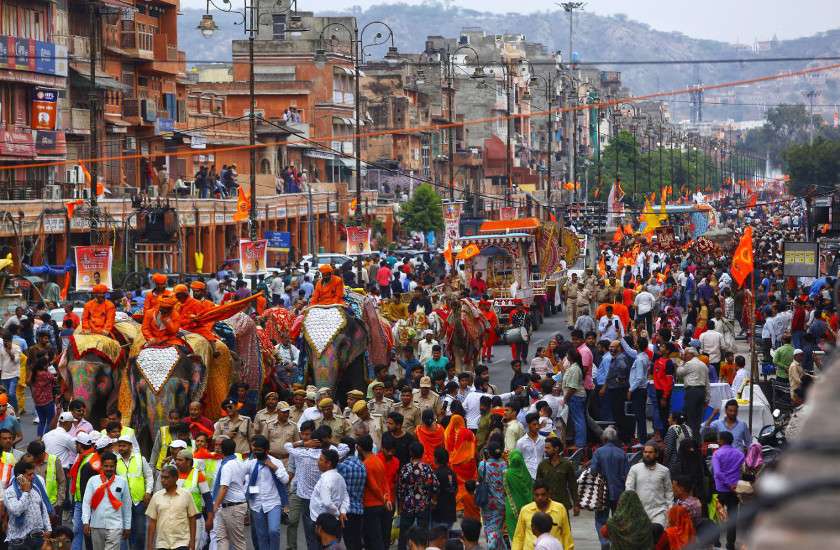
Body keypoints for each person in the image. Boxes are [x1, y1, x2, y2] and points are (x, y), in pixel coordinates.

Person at [245, 434, 289, 549]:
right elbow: (242, 478)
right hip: (256, 503)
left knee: (274, 530)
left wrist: (273, 467)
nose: (256, 452)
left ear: (266, 450)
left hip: (273, 502)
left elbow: (285, 480)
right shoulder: (251, 463)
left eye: (259, 450)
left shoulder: (276, 462)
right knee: (261, 535)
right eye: (254, 450)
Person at [82, 451, 132, 550]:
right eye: (106, 466)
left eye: (111, 466)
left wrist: (127, 526)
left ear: (115, 466)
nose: (109, 469)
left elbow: (127, 505)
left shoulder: (122, 482)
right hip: (96, 524)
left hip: (115, 525)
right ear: (101, 466)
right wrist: (86, 521)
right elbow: (86, 503)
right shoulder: (93, 481)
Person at [590, 426, 630, 546]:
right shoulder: (622, 453)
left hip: (602, 492)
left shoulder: (598, 452)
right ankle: (616, 543)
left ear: (604, 438)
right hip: (619, 492)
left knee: (601, 519)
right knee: (618, 520)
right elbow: (627, 473)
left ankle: (604, 541)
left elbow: (593, 471)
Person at [396, 442, 439, 550]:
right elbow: (435, 486)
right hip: (423, 505)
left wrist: (400, 507)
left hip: (407, 505)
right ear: (422, 453)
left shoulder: (405, 468)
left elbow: (400, 489)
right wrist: (433, 500)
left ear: (410, 453)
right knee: (422, 532)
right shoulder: (426, 468)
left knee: (404, 533)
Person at [145, 464, 199, 550]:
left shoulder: (186, 495)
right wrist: (149, 546)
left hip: (182, 542)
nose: (163, 480)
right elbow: (152, 522)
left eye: (166, 478)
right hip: (162, 544)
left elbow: (192, 519)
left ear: (175, 478)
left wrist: (192, 542)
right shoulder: (156, 497)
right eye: (162, 477)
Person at [511, 480, 574, 550]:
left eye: (543, 494)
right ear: (533, 495)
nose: (540, 498)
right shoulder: (525, 510)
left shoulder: (560, 509)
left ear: (548, 494)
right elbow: (519, 536)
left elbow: (566, 535)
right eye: (537, 495)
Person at [115, 435, 152, 550]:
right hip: (122, 503)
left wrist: (148, 492)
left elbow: (149, 476)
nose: (121, 448)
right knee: (126, 532)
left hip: (139, 502)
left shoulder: (140, 459)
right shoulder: (115, 461)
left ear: (130, 446)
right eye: (119, 445)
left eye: (124, 445)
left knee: (140, 532)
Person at [4, 459, 53, 549]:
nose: (33, 477)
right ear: (20, 476)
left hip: (38, 539)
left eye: (33, 473)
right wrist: (25, 492)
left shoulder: (35, 488)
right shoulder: (10, 492)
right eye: (30, 474)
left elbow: (43, 510)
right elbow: (16, 511)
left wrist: (49, 529)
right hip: (19, 542)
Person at [211, 438, 247, 550]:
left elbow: (224, 487)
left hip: (233, 507)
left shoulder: (227, 466)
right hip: (228, 506)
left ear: (222, 449)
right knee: (221, 537)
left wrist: (215, 505)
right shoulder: (239, 462)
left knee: (237, 542)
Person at [711, 431, 744, 550]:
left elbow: (718, 473)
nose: (717, 440)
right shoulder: (740, 454)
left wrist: (727, 484)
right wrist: (732, 484)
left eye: (719, 439)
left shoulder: (717, 454)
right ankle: (730, 544)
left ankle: (716, 541)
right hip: (734, 491)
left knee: (716, 516)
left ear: (722, 440)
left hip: (720, 490)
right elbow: (741, 470)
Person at [625, 444, 673, 526]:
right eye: (645, 452)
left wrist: (670, 509)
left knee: (658, 535)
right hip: (639, 511)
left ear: (656, 454)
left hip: (659, 511)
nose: (647, 454)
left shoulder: (664, 470)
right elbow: (629, 489)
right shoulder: (635, 469)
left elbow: (669, 491)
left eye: (650, 452)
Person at [357, 434, 390, 550]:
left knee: (374, 539)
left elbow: (374, 487)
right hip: (379, 505)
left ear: (359, 448)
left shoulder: (366, 464)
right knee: (376, 537)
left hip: (371, 506)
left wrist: (383, 499)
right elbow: (385, 482)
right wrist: (386, 499)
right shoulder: (378, 460)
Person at [536, 436, 579, 514]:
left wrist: (576, 504)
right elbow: (537, 486)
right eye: (545, 448)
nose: (545, 450)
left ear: (556, 449)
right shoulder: (542, 465)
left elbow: (573, 485)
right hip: (546, 505)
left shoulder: (567, 464)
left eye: (548, 448)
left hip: (562, 504)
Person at [337, 438, 366, 550]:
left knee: (347, 541)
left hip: (345, 511)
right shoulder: (362, 465)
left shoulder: (342, 467)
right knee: (356, 540)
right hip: (359, 509)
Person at [677, 347, 710, 442]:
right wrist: (707, 397)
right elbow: (707, 383)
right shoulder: (703, 365)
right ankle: (696, 439)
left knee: (690, 417)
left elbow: (679, 373)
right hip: (701, 391)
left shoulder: (689, 364)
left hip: (692, 391)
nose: (685, 356)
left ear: (691, 354)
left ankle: (692, 440)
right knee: (698, 418)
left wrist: (681, 363)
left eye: (686, 354)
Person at [443, 413, 476, 508]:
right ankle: (470, 500)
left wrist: (452, 459)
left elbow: (448, 449)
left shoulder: (448, 433)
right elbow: (473, 447)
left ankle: (459, 502)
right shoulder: (470, 433)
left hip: (455, 464)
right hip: (470, 463)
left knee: (458, 485)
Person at [504, 449, 533, 541]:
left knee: (515, 537)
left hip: (512, 509)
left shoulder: (507, 473)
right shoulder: (527, 474)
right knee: (527, 535)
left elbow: (504, 490)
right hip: (527, 509)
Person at [431, 447, 457, 532]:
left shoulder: (436, 473)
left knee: (437, 538)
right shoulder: (452, 473)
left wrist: (433, 502)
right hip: (451, 511)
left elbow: (434, 491)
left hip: (439, 513)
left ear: (436, 459)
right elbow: (456, 490)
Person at [516, 412, 546, 479]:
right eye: (534, 424)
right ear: (528, 425)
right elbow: (518, 459)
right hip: (527, 475)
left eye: (538, 424)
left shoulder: (544, 440)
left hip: (542, 474)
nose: (537, 427)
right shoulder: (521, 442)